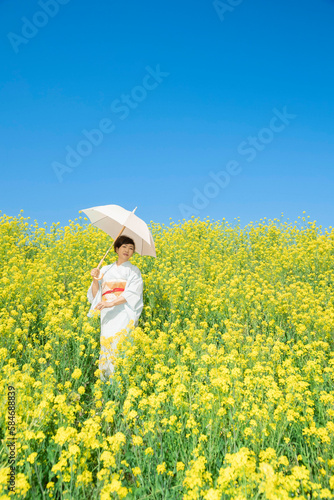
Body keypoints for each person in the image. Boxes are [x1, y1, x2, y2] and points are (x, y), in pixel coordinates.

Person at [87, 235, 144, 381]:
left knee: (120, 346)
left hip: (124, 313)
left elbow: (133, 293)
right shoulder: (105, 269)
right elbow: (96, 296)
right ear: (116, 249)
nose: (127, 250)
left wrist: (111, 303)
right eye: (124, 247)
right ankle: (105, 384)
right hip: (108, 315)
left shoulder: (134, 271)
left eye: (131, 248)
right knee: (106, 347)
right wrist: (95, 279)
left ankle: (119, 383)